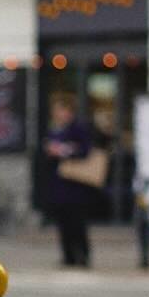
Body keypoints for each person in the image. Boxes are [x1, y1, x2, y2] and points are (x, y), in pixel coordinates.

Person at [42, 96, 99, 268]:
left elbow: (86, 151)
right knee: (63, 223)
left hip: (76, 184)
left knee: (77, 223)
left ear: (68, 112)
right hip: (59, 184)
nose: (57, 114)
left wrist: (64, 150)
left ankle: (83, 256)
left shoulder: (78, 129)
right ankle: (68, 257)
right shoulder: (54, 130)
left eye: (60, 110)